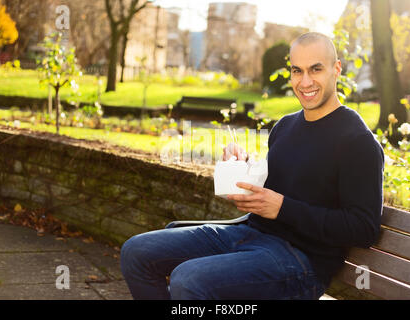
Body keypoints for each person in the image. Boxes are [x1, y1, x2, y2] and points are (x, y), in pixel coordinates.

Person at [120, 32, 384, 300]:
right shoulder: (286, 126)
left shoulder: (357, 141)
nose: (305, 81)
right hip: (250, 233)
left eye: (316, 69)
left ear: (336, 69)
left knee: (188, 280)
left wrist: (283, 208)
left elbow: (364, 229)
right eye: (297, 71)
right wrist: (242, 167)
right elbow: (283, 183)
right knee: (137, 252)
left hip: (302, 263)